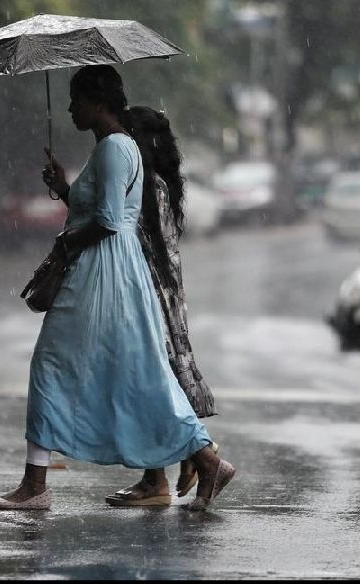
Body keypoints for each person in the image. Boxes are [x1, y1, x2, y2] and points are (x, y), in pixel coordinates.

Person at [0, 65, 234, 512]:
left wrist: (66, 243)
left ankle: (35, 486)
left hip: (102, 274)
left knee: (52, 365)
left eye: (77, 100)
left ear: (98, 101)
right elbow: (97, 209)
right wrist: (64, 189)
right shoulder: (116, 148)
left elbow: (110, 221)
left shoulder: (115, 148)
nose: (72, 108)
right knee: (137, 373)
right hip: (112, 271)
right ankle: (206, 458)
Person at [104, 105, 221, 507]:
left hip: (148, 293)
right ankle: (166, 471)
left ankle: (193, 461)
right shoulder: (162, 182)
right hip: (162, 291)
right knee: (153, 381)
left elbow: (120, 230)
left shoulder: (147, 184)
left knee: (152, 381)